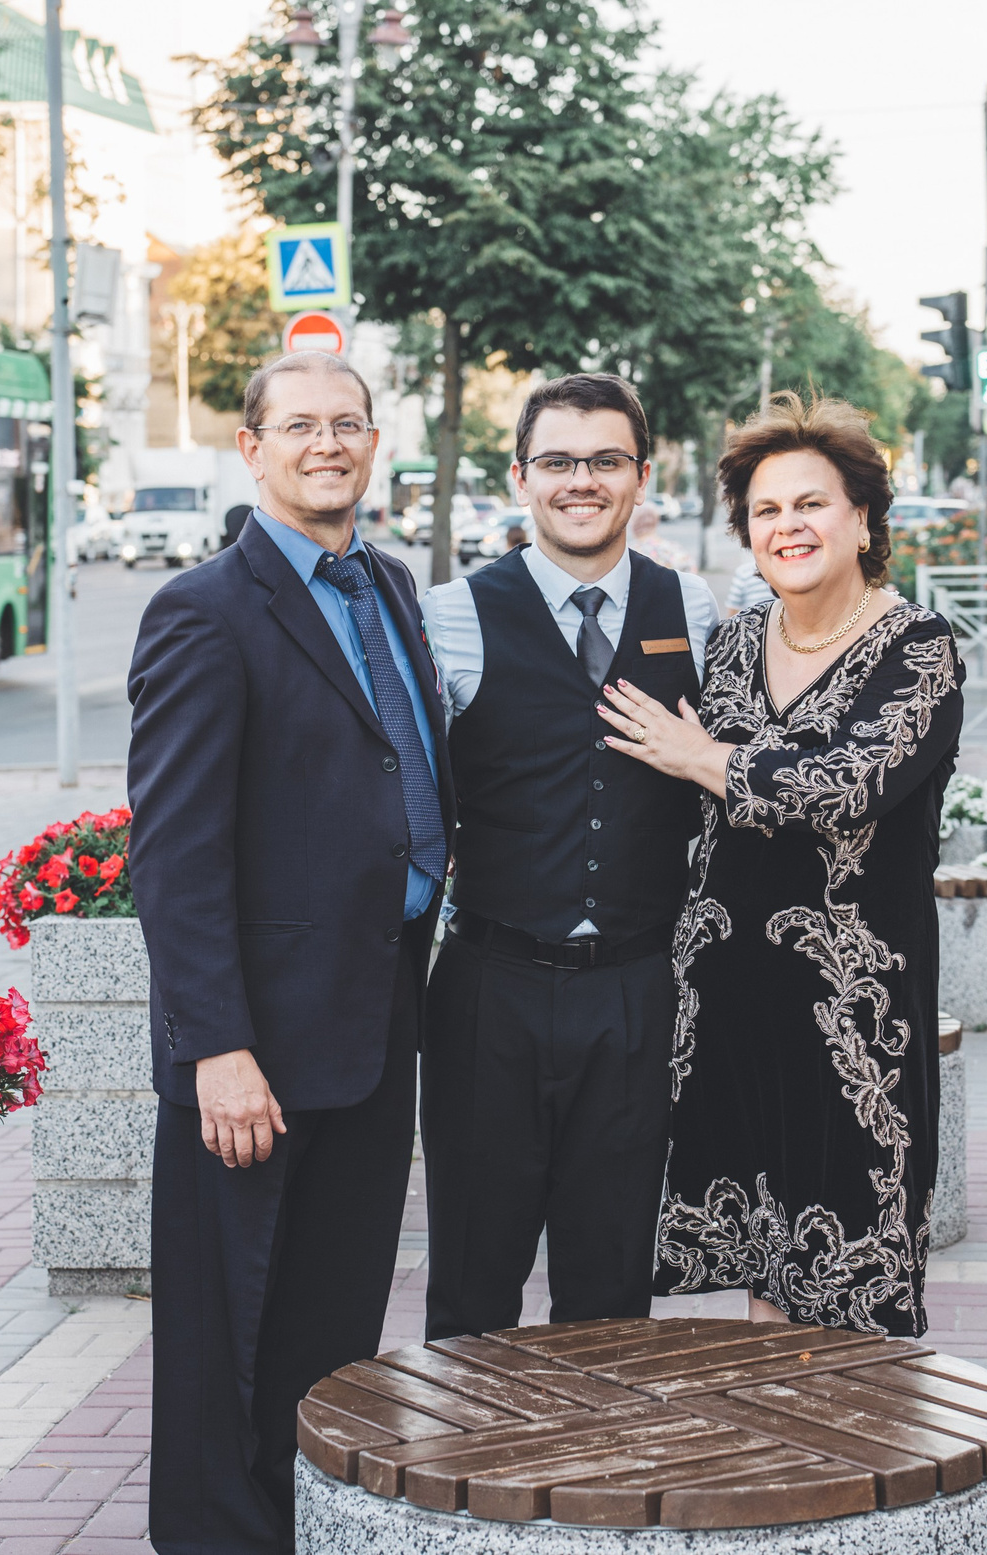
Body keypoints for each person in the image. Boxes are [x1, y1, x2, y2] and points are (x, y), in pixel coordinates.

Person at [125, 350, 448, 1555]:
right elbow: (175, 856)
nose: (328, 444)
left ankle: (308, 1531)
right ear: (251, 450)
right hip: (252, 1050)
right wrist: (215, 1047)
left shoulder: (390, 586)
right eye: (300, 426)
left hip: (369, 1022)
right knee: (227, 1345)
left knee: (326, 1330)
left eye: (348, 424)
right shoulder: (206, 610)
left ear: (374, 443)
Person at [601, 393, 965, 1337]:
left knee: (846, 1281)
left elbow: (848, 781)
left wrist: (706, 760)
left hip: (851, 1014)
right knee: (763, 1274)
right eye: (766, 511)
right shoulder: (731, 646)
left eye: (811, 503)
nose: (788, 526)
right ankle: (785, 1464)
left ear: (863, 519)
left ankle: (851, 1471)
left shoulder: (917, 648)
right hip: (726, 1005)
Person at [418, 373, 722, 1342]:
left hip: (636, 992)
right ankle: (467, 1487)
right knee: (472, 1284)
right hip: (488, 991)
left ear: (642, 477)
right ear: (520, 477)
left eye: (603, 461)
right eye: (556, 461)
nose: (578, 481)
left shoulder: (698, 611)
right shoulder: (451, 617)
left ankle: (592, 1490)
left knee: (610, 1291)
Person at [630, 500, 695, 571]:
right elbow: (691, 572)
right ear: (656, 520)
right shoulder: (675, 549)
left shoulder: (630, 553)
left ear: (634, 522)